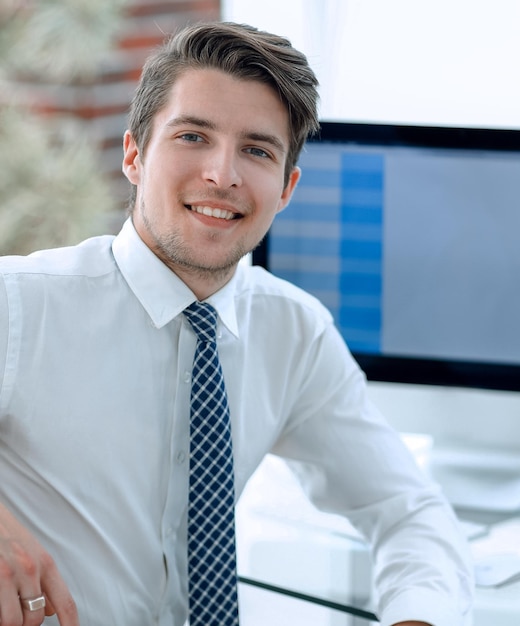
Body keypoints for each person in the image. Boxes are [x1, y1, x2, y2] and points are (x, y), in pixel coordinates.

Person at [0, 21, 473, 626]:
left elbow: (407, 511)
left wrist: (419, 618)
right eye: (193, 136)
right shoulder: (21, 304)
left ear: (286, 188)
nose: (223, 174)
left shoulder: (293, 332)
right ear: (134, 155)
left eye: (257, 150)